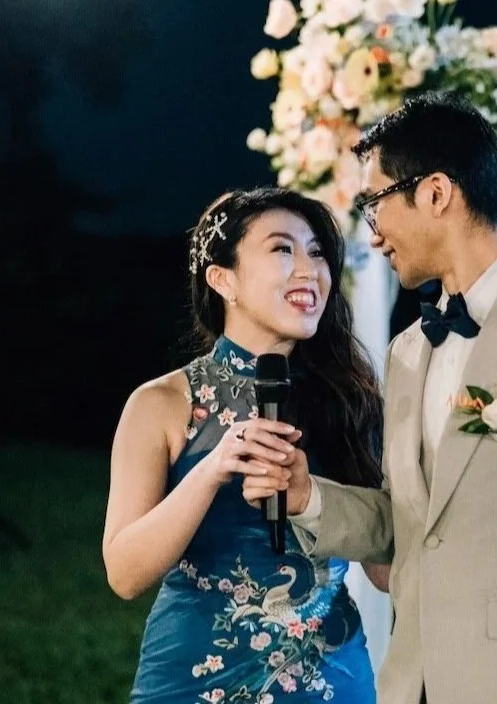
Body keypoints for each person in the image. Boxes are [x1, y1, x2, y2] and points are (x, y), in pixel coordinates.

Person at [243, 92, 497, 704]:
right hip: (413, 684)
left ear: (436, 192)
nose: (374, 234)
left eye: (375, 204)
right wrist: (307, 496)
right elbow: (409, 525)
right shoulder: (408, 351)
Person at [102, 187, 389, 704]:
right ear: (223, 280)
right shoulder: (160, 403)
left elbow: (388, 572)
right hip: (193, 679)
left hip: (329, 682)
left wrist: (314, 498)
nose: (309, 270)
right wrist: (211, 470)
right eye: (283, 249)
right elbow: (124, 574)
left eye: (317, 252)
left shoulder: (352, 398)